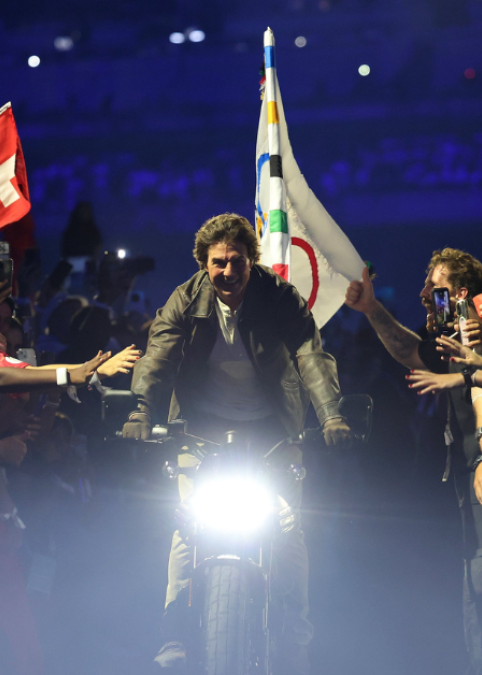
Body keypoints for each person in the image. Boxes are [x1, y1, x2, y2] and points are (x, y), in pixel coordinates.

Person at [124, 213, 352, 673]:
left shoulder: (280, 298)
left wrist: (331, 415)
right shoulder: (184, 300)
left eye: (237, 262)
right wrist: (141, 410)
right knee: (187, 528)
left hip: (272, 431)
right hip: (200, 430)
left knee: (290, 532)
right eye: (218, 263)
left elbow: (310, 354)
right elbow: (158, 356)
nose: (228, 272)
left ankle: (295, 638)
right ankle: (174, 635)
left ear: (253, 261)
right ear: (203, 263)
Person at [346, 247, 482, 674]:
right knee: (478, 600)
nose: (425, 294)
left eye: (436, 287)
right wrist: (371, 309)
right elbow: (412, 352)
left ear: (463, 293)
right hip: (470, 485)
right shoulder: (457, 339)